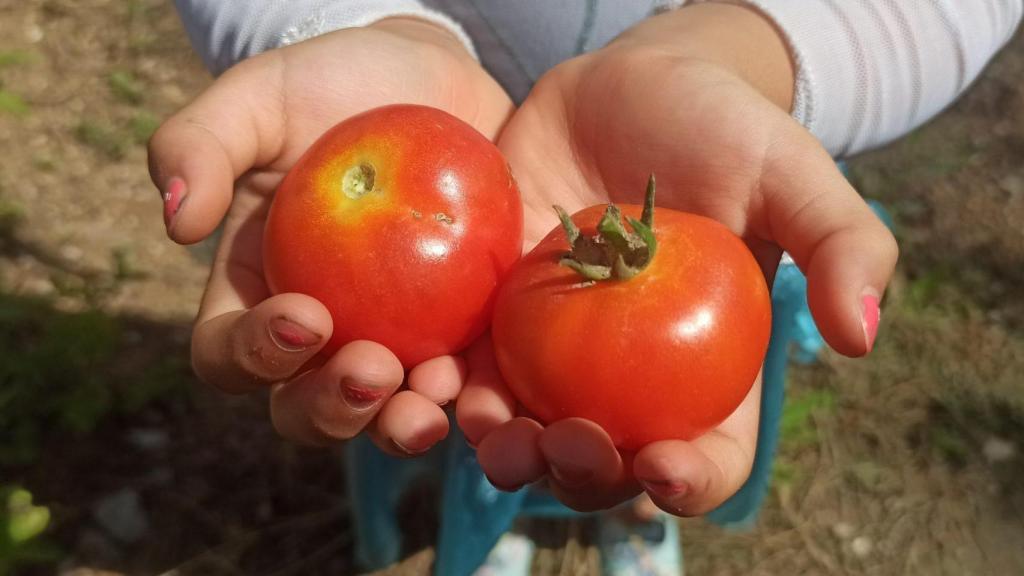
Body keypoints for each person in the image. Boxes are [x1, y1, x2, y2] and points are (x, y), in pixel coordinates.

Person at [148, 1, 1022, 574]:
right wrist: (350, 22)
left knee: (647, 444)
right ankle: (497, 521)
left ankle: (633, 513)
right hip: (451, 264)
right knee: (424, 405)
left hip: (713, 204)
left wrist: (738, 53)